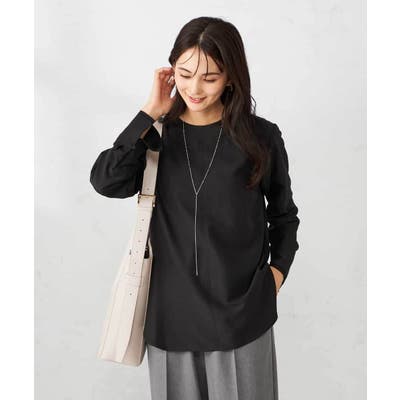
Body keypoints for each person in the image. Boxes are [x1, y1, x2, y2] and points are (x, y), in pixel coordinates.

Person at [90, 16, 300, 400]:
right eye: (185, 74)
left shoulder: (261, 137)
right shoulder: (154, 136)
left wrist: (275, 276)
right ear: (171, 70)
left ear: (231, 77)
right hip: (171, 318)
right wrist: (148, 112)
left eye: (210, 77)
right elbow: (106, 181)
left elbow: (284, 215)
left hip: (243, 317)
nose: (194, 88)